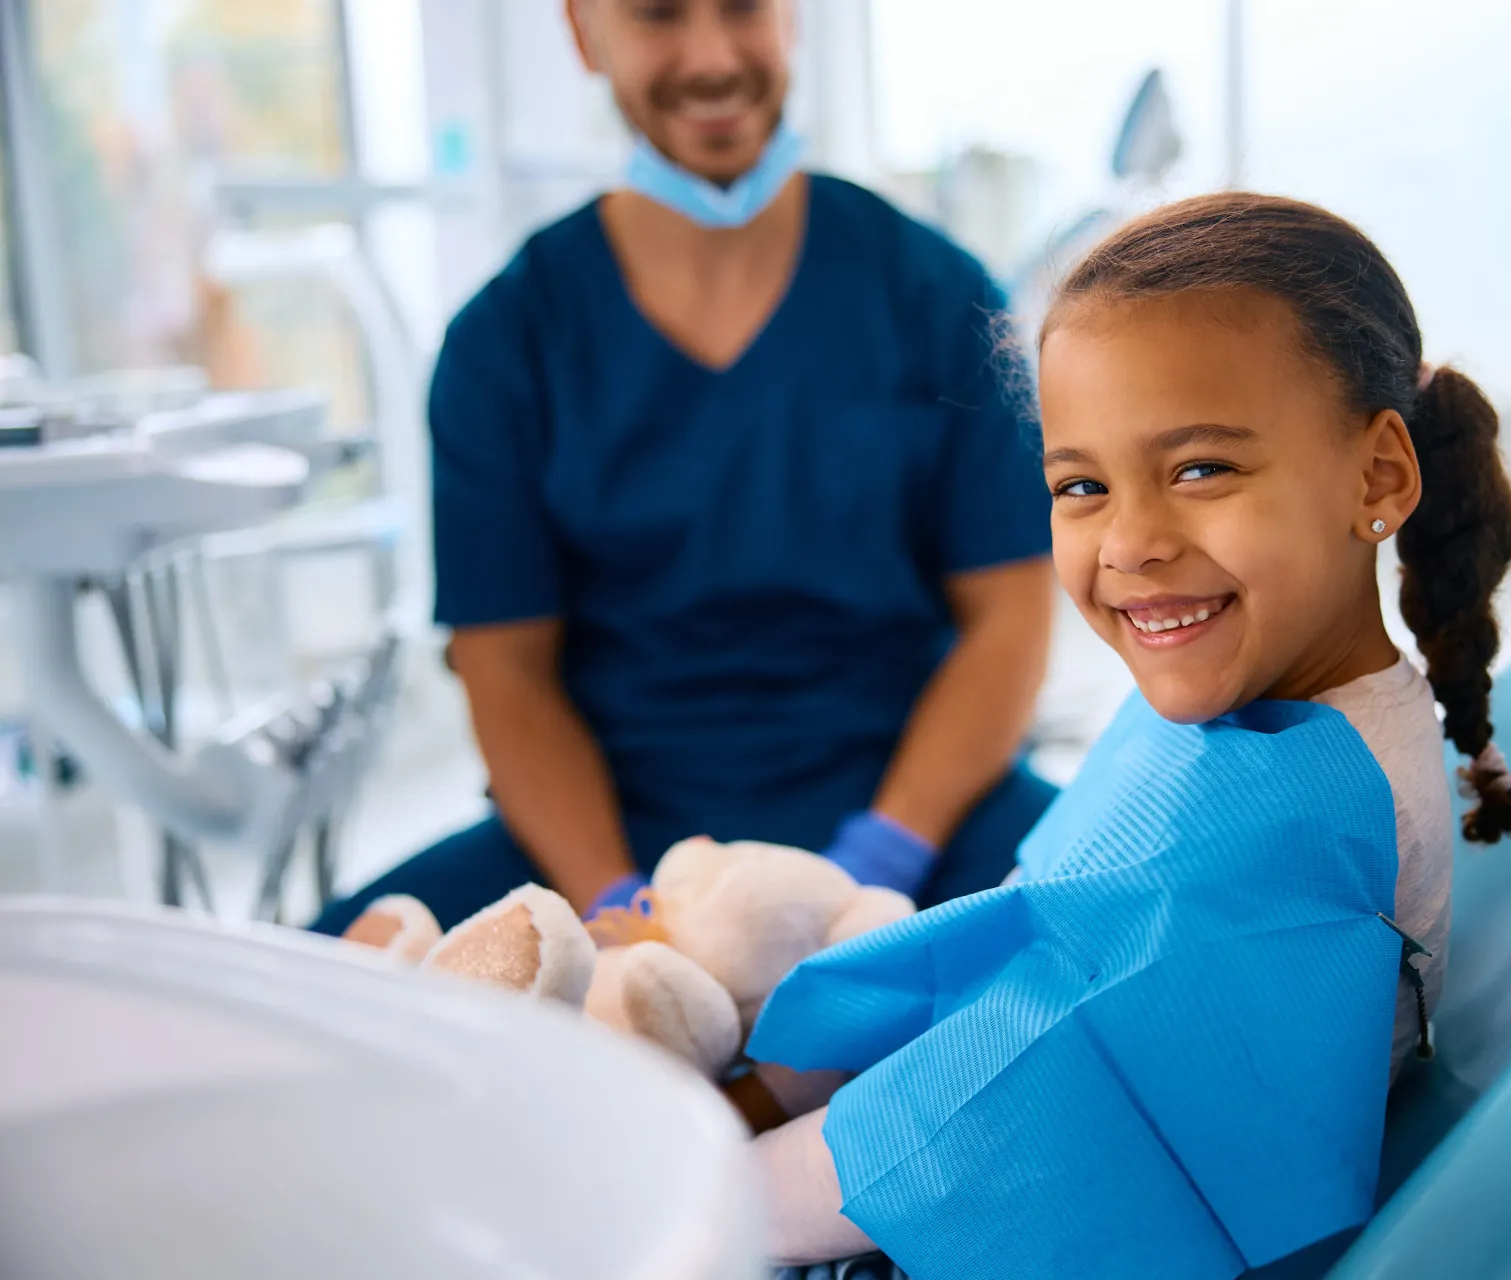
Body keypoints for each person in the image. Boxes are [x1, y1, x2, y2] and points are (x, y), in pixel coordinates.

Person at [733, 193, 1511, 1279]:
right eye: (1081, 486)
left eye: (1201, 468)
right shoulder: (1264, 710)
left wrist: (713, 1192)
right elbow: (1030, 931)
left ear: (1377, 476)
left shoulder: (1301, 825)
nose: (1133, 541)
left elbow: (996, 1090)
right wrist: (771, 1083)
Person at [310, 0, 1058, 938]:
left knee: (1151, 942)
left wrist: (880, 865)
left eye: (744, 8)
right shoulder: (509, 343)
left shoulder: (936, 298)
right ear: (585, 32)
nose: (710, 58)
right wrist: (620, 912)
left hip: (924, 812)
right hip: (608, 832)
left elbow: (1012, 617)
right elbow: (507, 673)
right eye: (659, 14)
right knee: (310, 988)